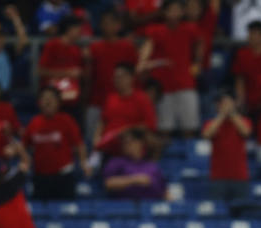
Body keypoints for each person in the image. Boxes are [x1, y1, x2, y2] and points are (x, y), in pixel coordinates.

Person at [138, 0, 203, 137]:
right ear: (164, 12)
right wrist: (144, 62)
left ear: (183, 12)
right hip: (163, 87)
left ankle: (189, 157)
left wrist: (197, 62)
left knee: (189, 127)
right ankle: (164, 158)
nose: (174, 13)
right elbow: (146, 51)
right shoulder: (155, 30)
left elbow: (199, 43)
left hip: (185, 84)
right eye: (171, 9)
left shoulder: (190, 28)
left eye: (177, 9)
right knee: (164, 128)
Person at [24, 86, 90, 200]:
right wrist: (25, 160)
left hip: (63, 177)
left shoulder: (67, 120)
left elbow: (79, 144)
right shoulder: (34, 122)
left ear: (58, 103)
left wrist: (84, 163)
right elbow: (24, 145)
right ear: (39, 103)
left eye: (51, 99)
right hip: (41, 178)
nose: (48, 102)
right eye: (45, 99)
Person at [85, 9, 139, 140]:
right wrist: (85, 99)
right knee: (94, 140)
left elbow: (135, 75)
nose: (108, 26)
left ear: (118, 25)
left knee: (119, 141)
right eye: (105, 23)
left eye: (111, 23)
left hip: (121, 103)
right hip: (97, 101)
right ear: (101, 25)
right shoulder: (94, 48)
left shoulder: (127, 47)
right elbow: (89, 77)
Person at [202, 92, 252, 213]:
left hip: (240, 177)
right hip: (218, 177)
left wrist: (233, 114)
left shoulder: (244, 120)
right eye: (223, 103)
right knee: (217, 213)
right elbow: (207, 134)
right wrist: (222, 115)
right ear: (218, 106)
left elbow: (246, 132)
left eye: (229, 103)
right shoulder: (211, 123)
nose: (226, 106)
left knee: (242, 213)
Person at [94, 62, 157, 156]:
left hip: (131, 144)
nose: (117, 80)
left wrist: (126, 130)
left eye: (121, 76)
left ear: (131, 78)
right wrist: (96, 138)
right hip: (108, 144)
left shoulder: (142, 98)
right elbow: (103, 121)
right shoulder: (111, 98)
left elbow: (150, 125)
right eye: (115, 77)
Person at [103, 128, 167, 199]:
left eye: (130, 142)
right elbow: (108, 183)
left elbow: (163, 190)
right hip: (123, 206)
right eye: (124, 143)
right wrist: (135, 180)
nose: (126, 145)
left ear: (140, 143)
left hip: (149, 205)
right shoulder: (116, 162)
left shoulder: (151, 165)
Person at [231, 20, 261, 115]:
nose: (251, 37)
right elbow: (240, 80)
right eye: (250, 34)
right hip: (250, 103)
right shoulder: (242, 55)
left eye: (255, 34)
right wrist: (241, 101)